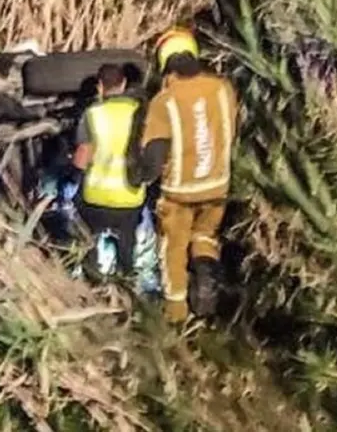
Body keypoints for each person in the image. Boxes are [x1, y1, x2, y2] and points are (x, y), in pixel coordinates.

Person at [133, 27, 239, 323]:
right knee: (205, 235)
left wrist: (140, 176)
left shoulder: (164, 101)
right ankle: (206, 282)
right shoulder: (222, 89)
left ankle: (176, 313)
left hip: (179, 192)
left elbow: (154, 155)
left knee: (173, 248)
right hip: (217, 184)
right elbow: (228, 131)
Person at [71, 63, 147, 281]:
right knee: (127, 242)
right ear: (123, 84)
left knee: (88, 239)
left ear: (100, 87)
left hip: (95, 199)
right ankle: (127, 279)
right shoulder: (138, 112)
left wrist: (72, 175)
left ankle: (92, 279)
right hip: (129, 199)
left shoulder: (93, 113)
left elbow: (83, 153)